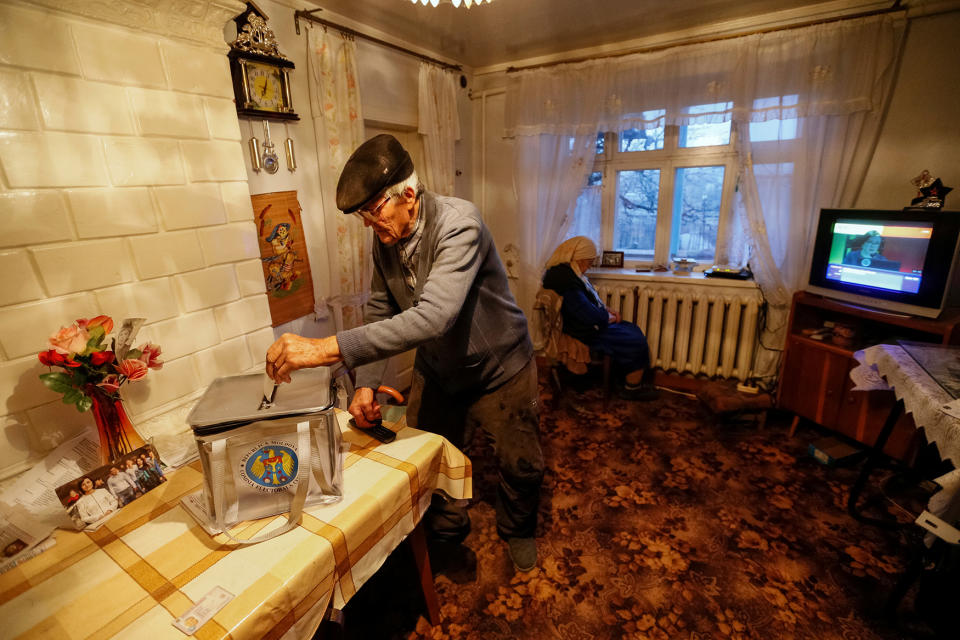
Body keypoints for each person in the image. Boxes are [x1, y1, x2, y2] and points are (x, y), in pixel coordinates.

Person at [265, 134, 544, 572]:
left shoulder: (459, 224)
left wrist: (326, 348)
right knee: (429, 463)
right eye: (363, 216)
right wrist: (368, 382)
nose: (368, 225)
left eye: (373, 212)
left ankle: (518, 528)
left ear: (409, 195)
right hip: (440, 372)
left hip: (499, 370)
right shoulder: (387, 238)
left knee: (520, 463)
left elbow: (434, 317)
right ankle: (448, 535)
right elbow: (382, 307)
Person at [541, 236, 656, 400]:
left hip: (585, 324)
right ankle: (632, 388)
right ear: (578, 259)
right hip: (582, 331)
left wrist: (607, 310)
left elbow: (587, 304)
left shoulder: (565, 273)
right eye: (588, 263)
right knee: (634, 340)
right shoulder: (567, 281)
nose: (588, 268)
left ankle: (626, 380)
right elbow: (587, 314)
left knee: (631, 329)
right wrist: (607, 316)